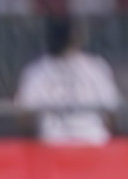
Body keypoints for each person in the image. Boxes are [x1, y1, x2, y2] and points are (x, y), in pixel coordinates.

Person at [15, 15, 121, 145]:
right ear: (77, 37)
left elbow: (25, 121)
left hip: (54, 146)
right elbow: (112, 116)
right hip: (91, 144)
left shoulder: (35, 71)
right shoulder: (97, 67)